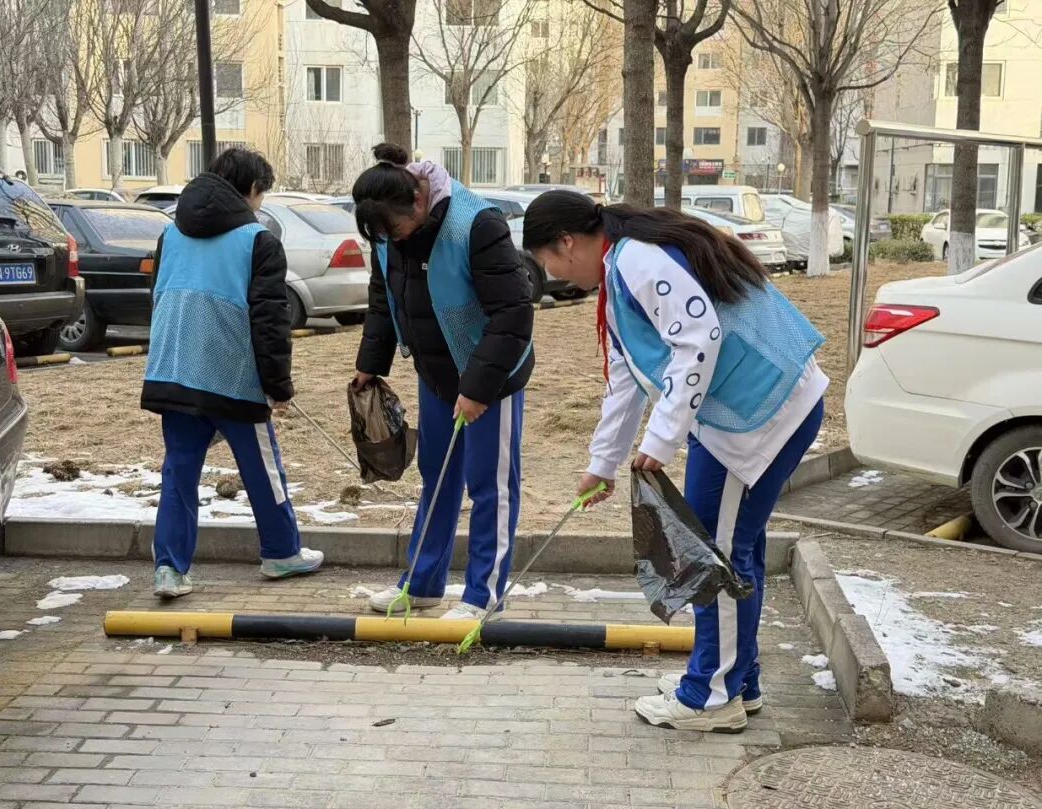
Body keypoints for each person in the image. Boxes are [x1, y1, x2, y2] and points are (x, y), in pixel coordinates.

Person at [522, 191, 826, 733]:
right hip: (748, 410)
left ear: (567, 243)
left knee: (714, 556)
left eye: (548, 261)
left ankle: (711, 696)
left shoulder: (636, 259)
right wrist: (602, 463)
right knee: (732, 550)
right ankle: (737, 680)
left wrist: (661, 441)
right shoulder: (620, 271)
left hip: (758, 413)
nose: (554, 275)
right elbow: (626, 380)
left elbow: (698, 339)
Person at [352, 143, 533, 620]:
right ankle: (422, 583)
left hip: (492, 375)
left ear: (417, 201)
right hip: (434, 372)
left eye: (395, 230)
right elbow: (383, 296)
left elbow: (513, 313)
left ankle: (483, 595)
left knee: (489, 484)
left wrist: (477, 389)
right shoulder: (388, 231)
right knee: (437, 475)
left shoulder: (477, 224)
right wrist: (371, 361)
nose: (392, 240)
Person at [142, 147, 323, 598]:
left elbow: (158, 295)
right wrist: (278, 385)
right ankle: (281, 552)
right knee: (263, 468)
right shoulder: (259, 240)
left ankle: (169, 569)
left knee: (179, 471)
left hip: (174, 368)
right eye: (262, 194)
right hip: (234, 375)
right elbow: (270, 320)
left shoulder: (170, 234)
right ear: (253, 189)